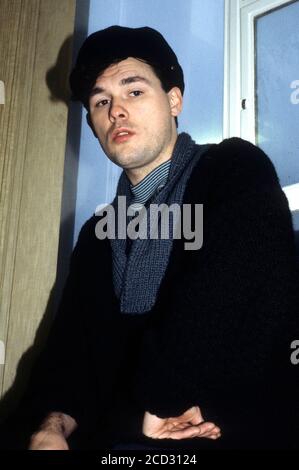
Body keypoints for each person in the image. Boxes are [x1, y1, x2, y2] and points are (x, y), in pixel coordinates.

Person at [13, 26, 299, 450]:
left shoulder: (232, 169)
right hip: (129, 434)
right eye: (101, 101)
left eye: (134, 91)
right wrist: (52, 424)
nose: (116, 112)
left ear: (173, 100)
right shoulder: (98, 235)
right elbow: (70, 351)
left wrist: (161, 400)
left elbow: (231, 284)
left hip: (234, 426)